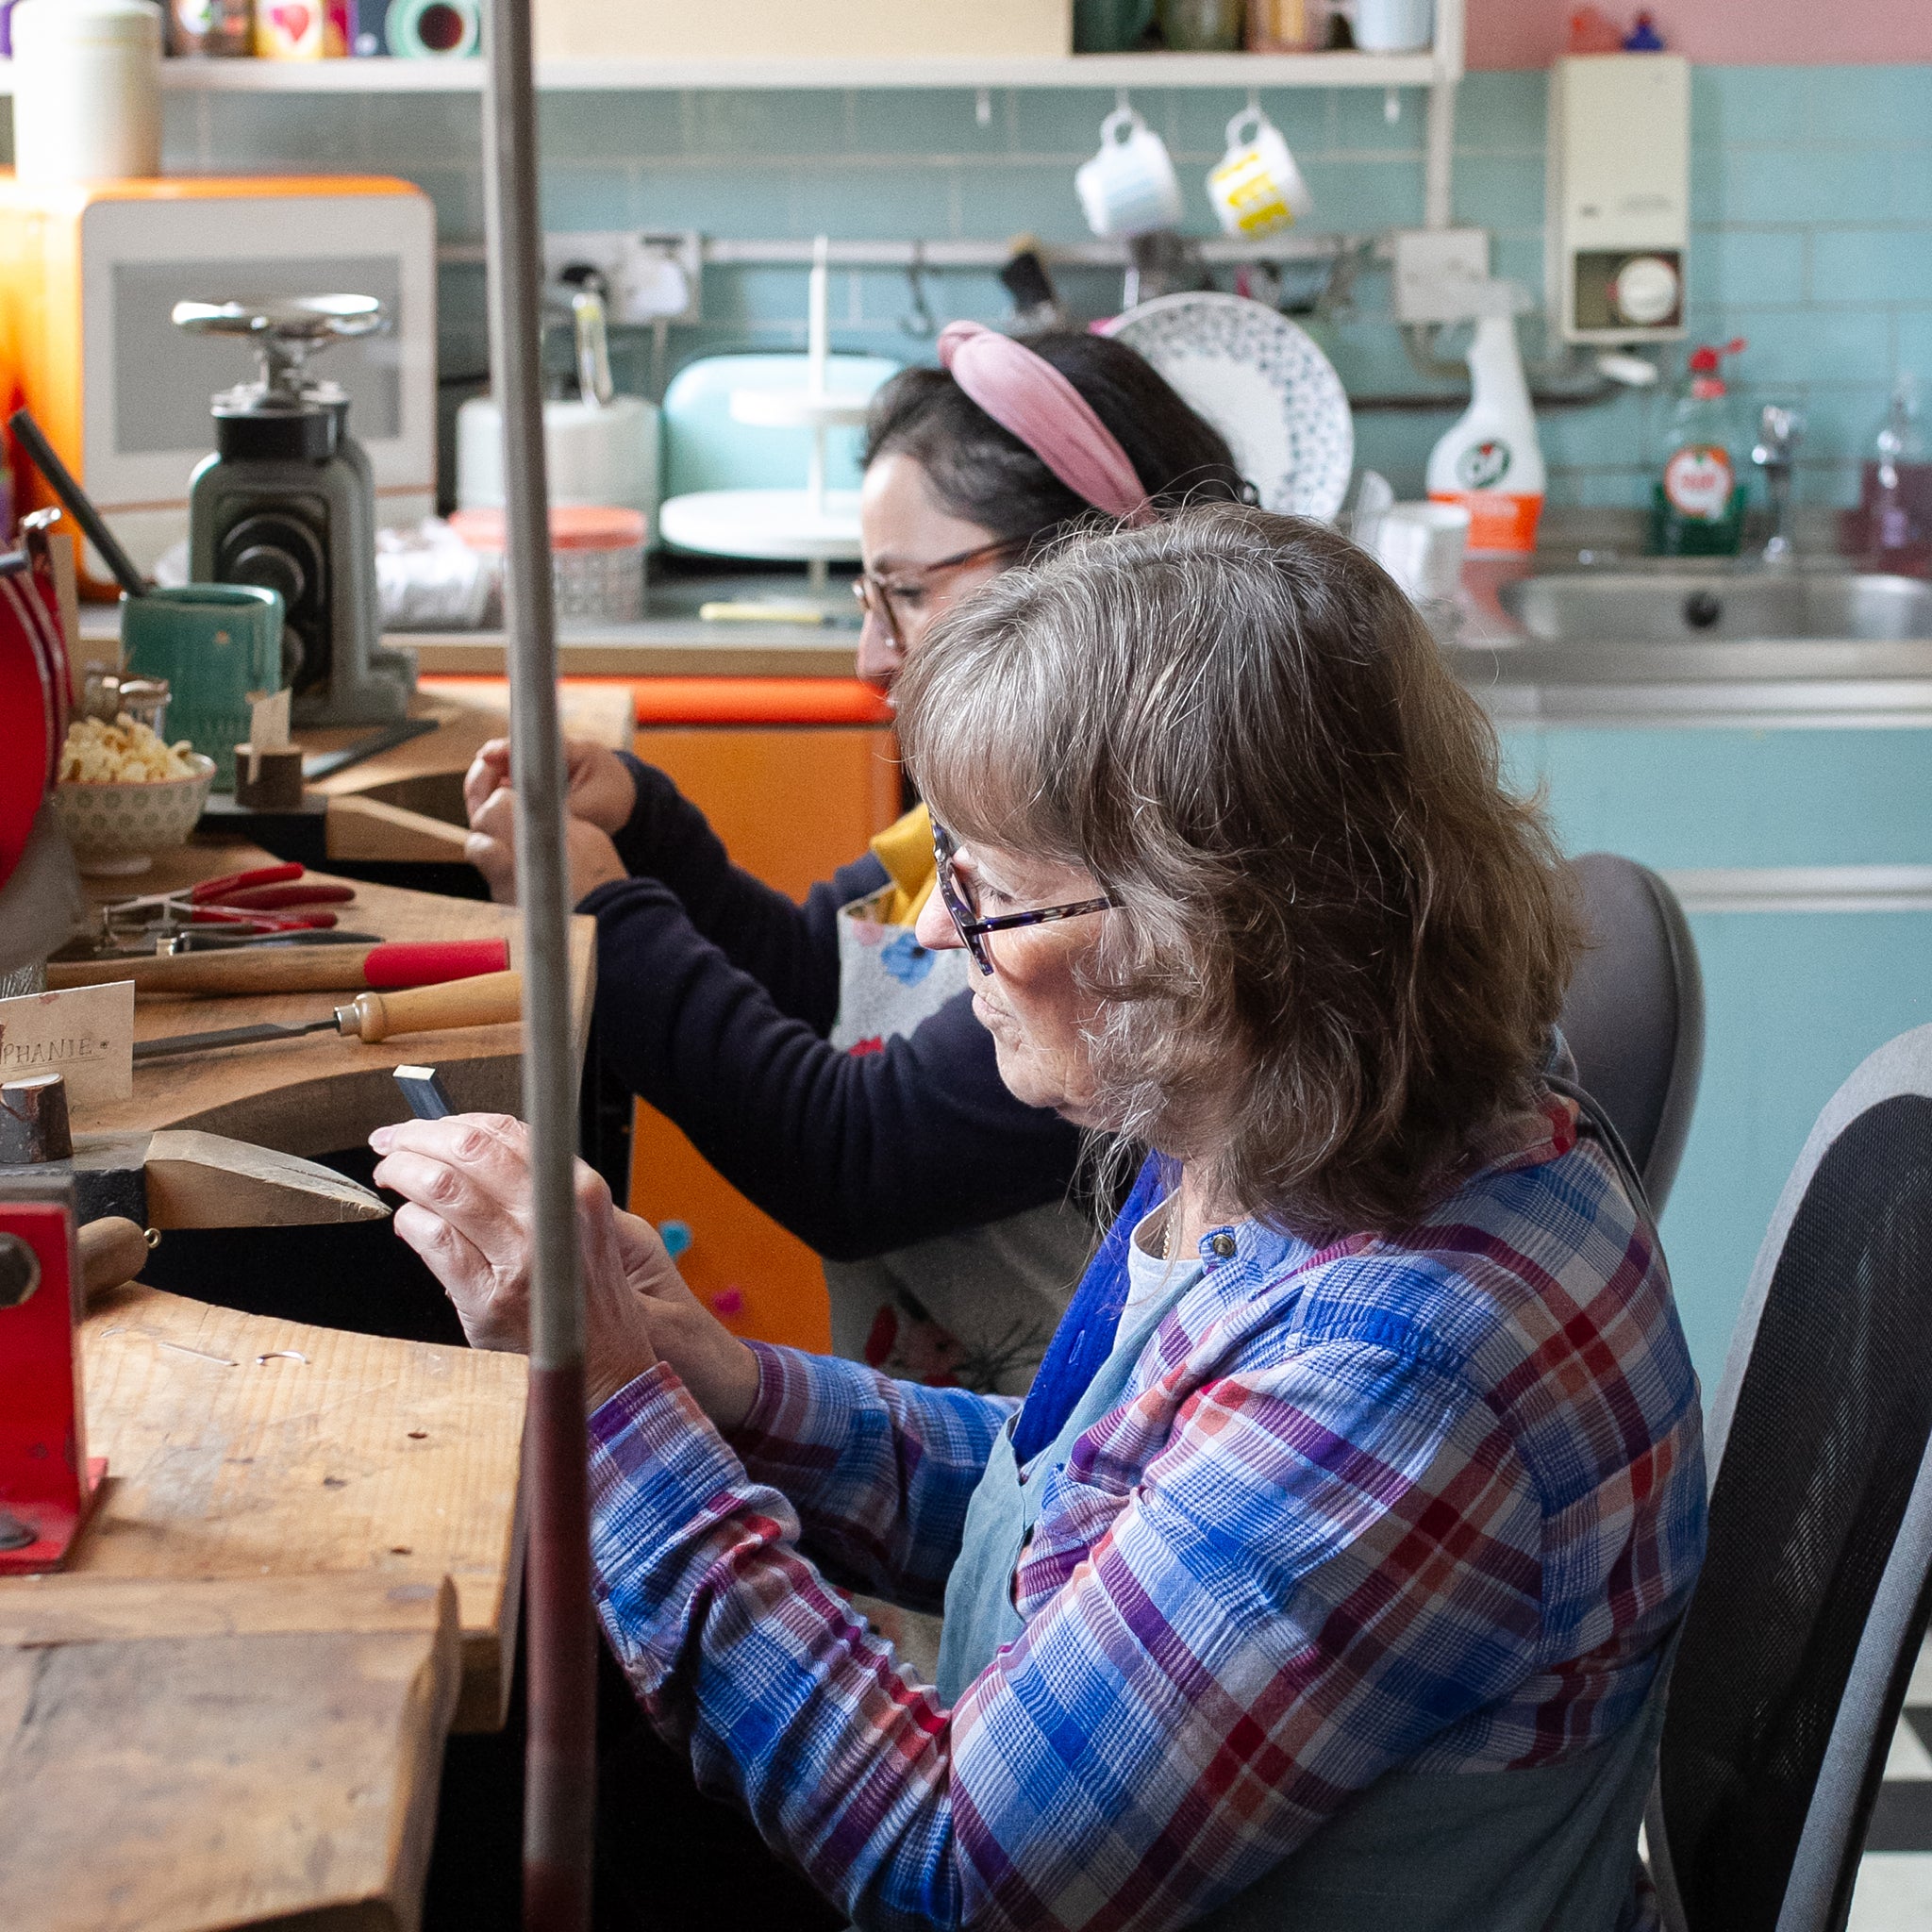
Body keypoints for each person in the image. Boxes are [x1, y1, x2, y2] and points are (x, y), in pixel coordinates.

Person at [377, 506, 1707, 1932]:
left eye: (989, 892)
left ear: (1206, 932)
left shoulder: (1393, 1372)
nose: (934, 934)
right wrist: (722, 1386)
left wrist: (614, 1411)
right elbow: (1076, 1503)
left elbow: (954, 1873)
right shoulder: (1275, 1126)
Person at [465, 323, 1245, 1394]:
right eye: (867, 599)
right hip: (949, 1452)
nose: (871, 655)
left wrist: (603, 909)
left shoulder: (1144, 887)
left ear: (1084, 564)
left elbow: (853, 1154)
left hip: (1090, 1464)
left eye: (906, 592)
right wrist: (646, 829)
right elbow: (822, 976)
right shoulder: (989, 826)